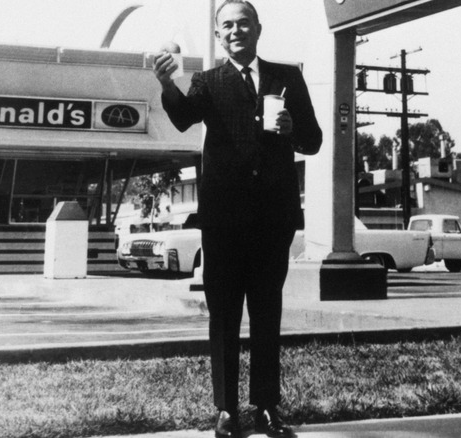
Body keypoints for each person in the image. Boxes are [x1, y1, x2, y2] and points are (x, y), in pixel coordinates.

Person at [153, 1, 322, 437]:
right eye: (226, 24)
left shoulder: (289, 77)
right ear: (217, 34)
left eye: (243, 22)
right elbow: (184, 116)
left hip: (273, 216)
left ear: (258, 28)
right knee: (224, 314)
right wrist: (166, 82)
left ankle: (267, 408)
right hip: (224, 219)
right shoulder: (207, 81)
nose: (235, 30)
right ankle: (226, 410)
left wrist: (292, 131)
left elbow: (315, 140)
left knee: (268, 311)